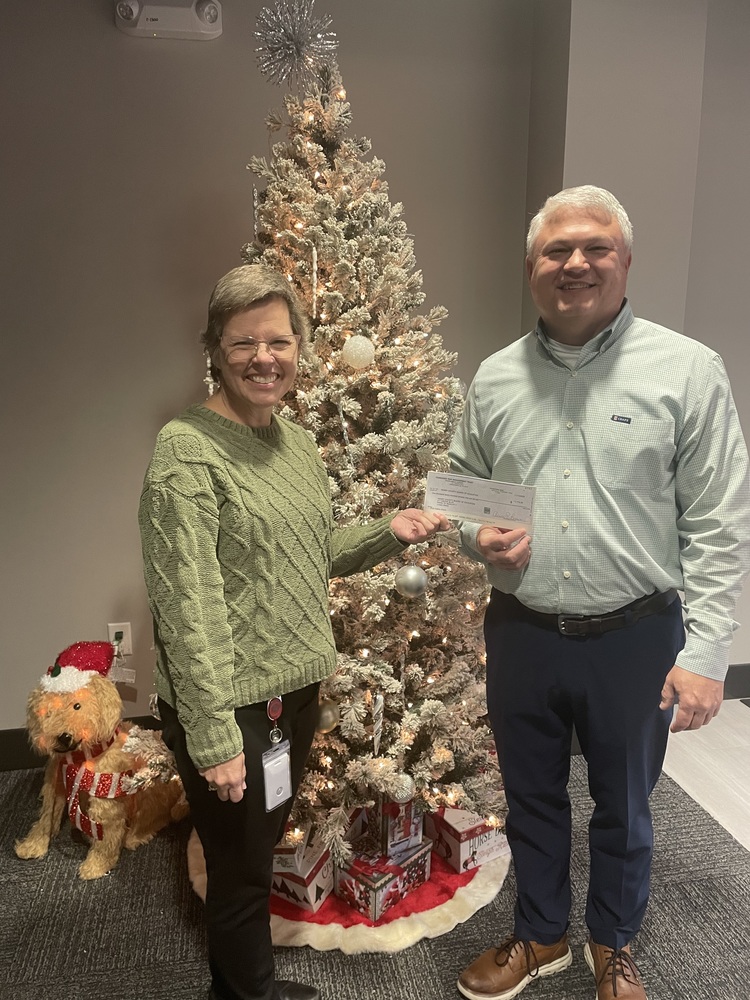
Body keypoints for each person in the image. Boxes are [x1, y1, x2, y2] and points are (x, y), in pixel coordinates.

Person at [449, 186, 750, 1000]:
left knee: (625, 805)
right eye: (556, 251)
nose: (575, 264)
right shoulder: (495, 378)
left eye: (594, 248)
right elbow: (460, 492)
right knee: (531, 795)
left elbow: (721, 522)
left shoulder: (686, 371)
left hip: (636, 635)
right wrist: (476, 534)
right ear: (531, 267)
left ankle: (612, 942)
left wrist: (706, 655)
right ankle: (541, 933)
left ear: (624, 262)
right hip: (522, 629)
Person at [138, 264, 448, 1000]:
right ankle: (251, 994)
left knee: (254, 856)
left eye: (279, 341)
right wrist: (213, 733)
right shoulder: (186, 451)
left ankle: (242, 988)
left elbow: (310, 555)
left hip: (293, 696)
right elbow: (188, 603)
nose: (263, 357)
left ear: (300, 350)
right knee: (240, 875)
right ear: (215, 347)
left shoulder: (298, 445)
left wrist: (387, 533)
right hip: (231, 706)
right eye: (243, 342)